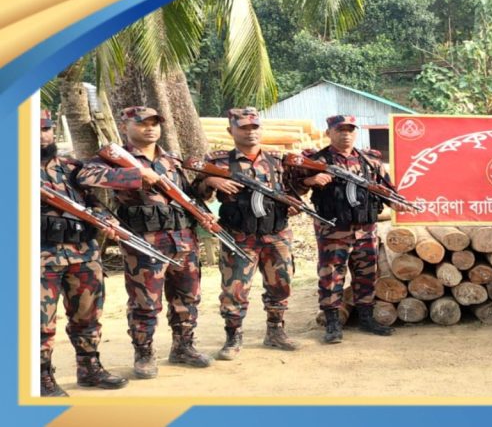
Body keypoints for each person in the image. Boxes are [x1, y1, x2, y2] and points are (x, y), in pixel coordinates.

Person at [78, 106, 214, 378]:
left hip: (183, 239)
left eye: (154, 123)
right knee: (145, 302)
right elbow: (85, 177)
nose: (150, 128)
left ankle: (183, 346)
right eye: (142, 123)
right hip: (145, 242)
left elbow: (189, 195)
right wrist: (136, 174)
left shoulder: (171, 160)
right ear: (125, 126)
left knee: (187, 297)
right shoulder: (114, 158)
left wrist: (209, 184)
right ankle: (144, 353)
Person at [191, 108, 299, 360]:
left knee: (281, 284)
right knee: (234, 289)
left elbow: (292, 190)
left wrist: (292, 204)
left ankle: (275, 331)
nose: (250, 132)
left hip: (277, 234)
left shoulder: (276, 160)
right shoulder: (217, 162)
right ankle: (233, 337)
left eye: (255, 127)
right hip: (240, 236)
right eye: (243, 128)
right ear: (231, 130)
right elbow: (195, 193)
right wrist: (210, 181)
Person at [287, 115, 407, 343]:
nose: (346, 134)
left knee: (367, 274)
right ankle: (332, 321)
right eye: (340, 130)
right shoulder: (316, 160)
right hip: (333, 230)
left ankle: (366, 317)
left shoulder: (370, 161)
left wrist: (397, 203)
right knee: (331, 274)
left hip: (365, 229)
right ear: (329, 133)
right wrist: (310, 181)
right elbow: (292, 188)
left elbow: (386, 189)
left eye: (350, 130)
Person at [39, 110, 128, 396]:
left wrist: (107, 220)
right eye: (33, 130)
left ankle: (89, 368)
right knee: (39, 321)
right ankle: (40, 376)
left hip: (83, 254)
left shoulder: (72, 167)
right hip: (39, 257)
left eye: (45, 129)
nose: (41, 136)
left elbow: (92, 202)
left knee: (88, 316)